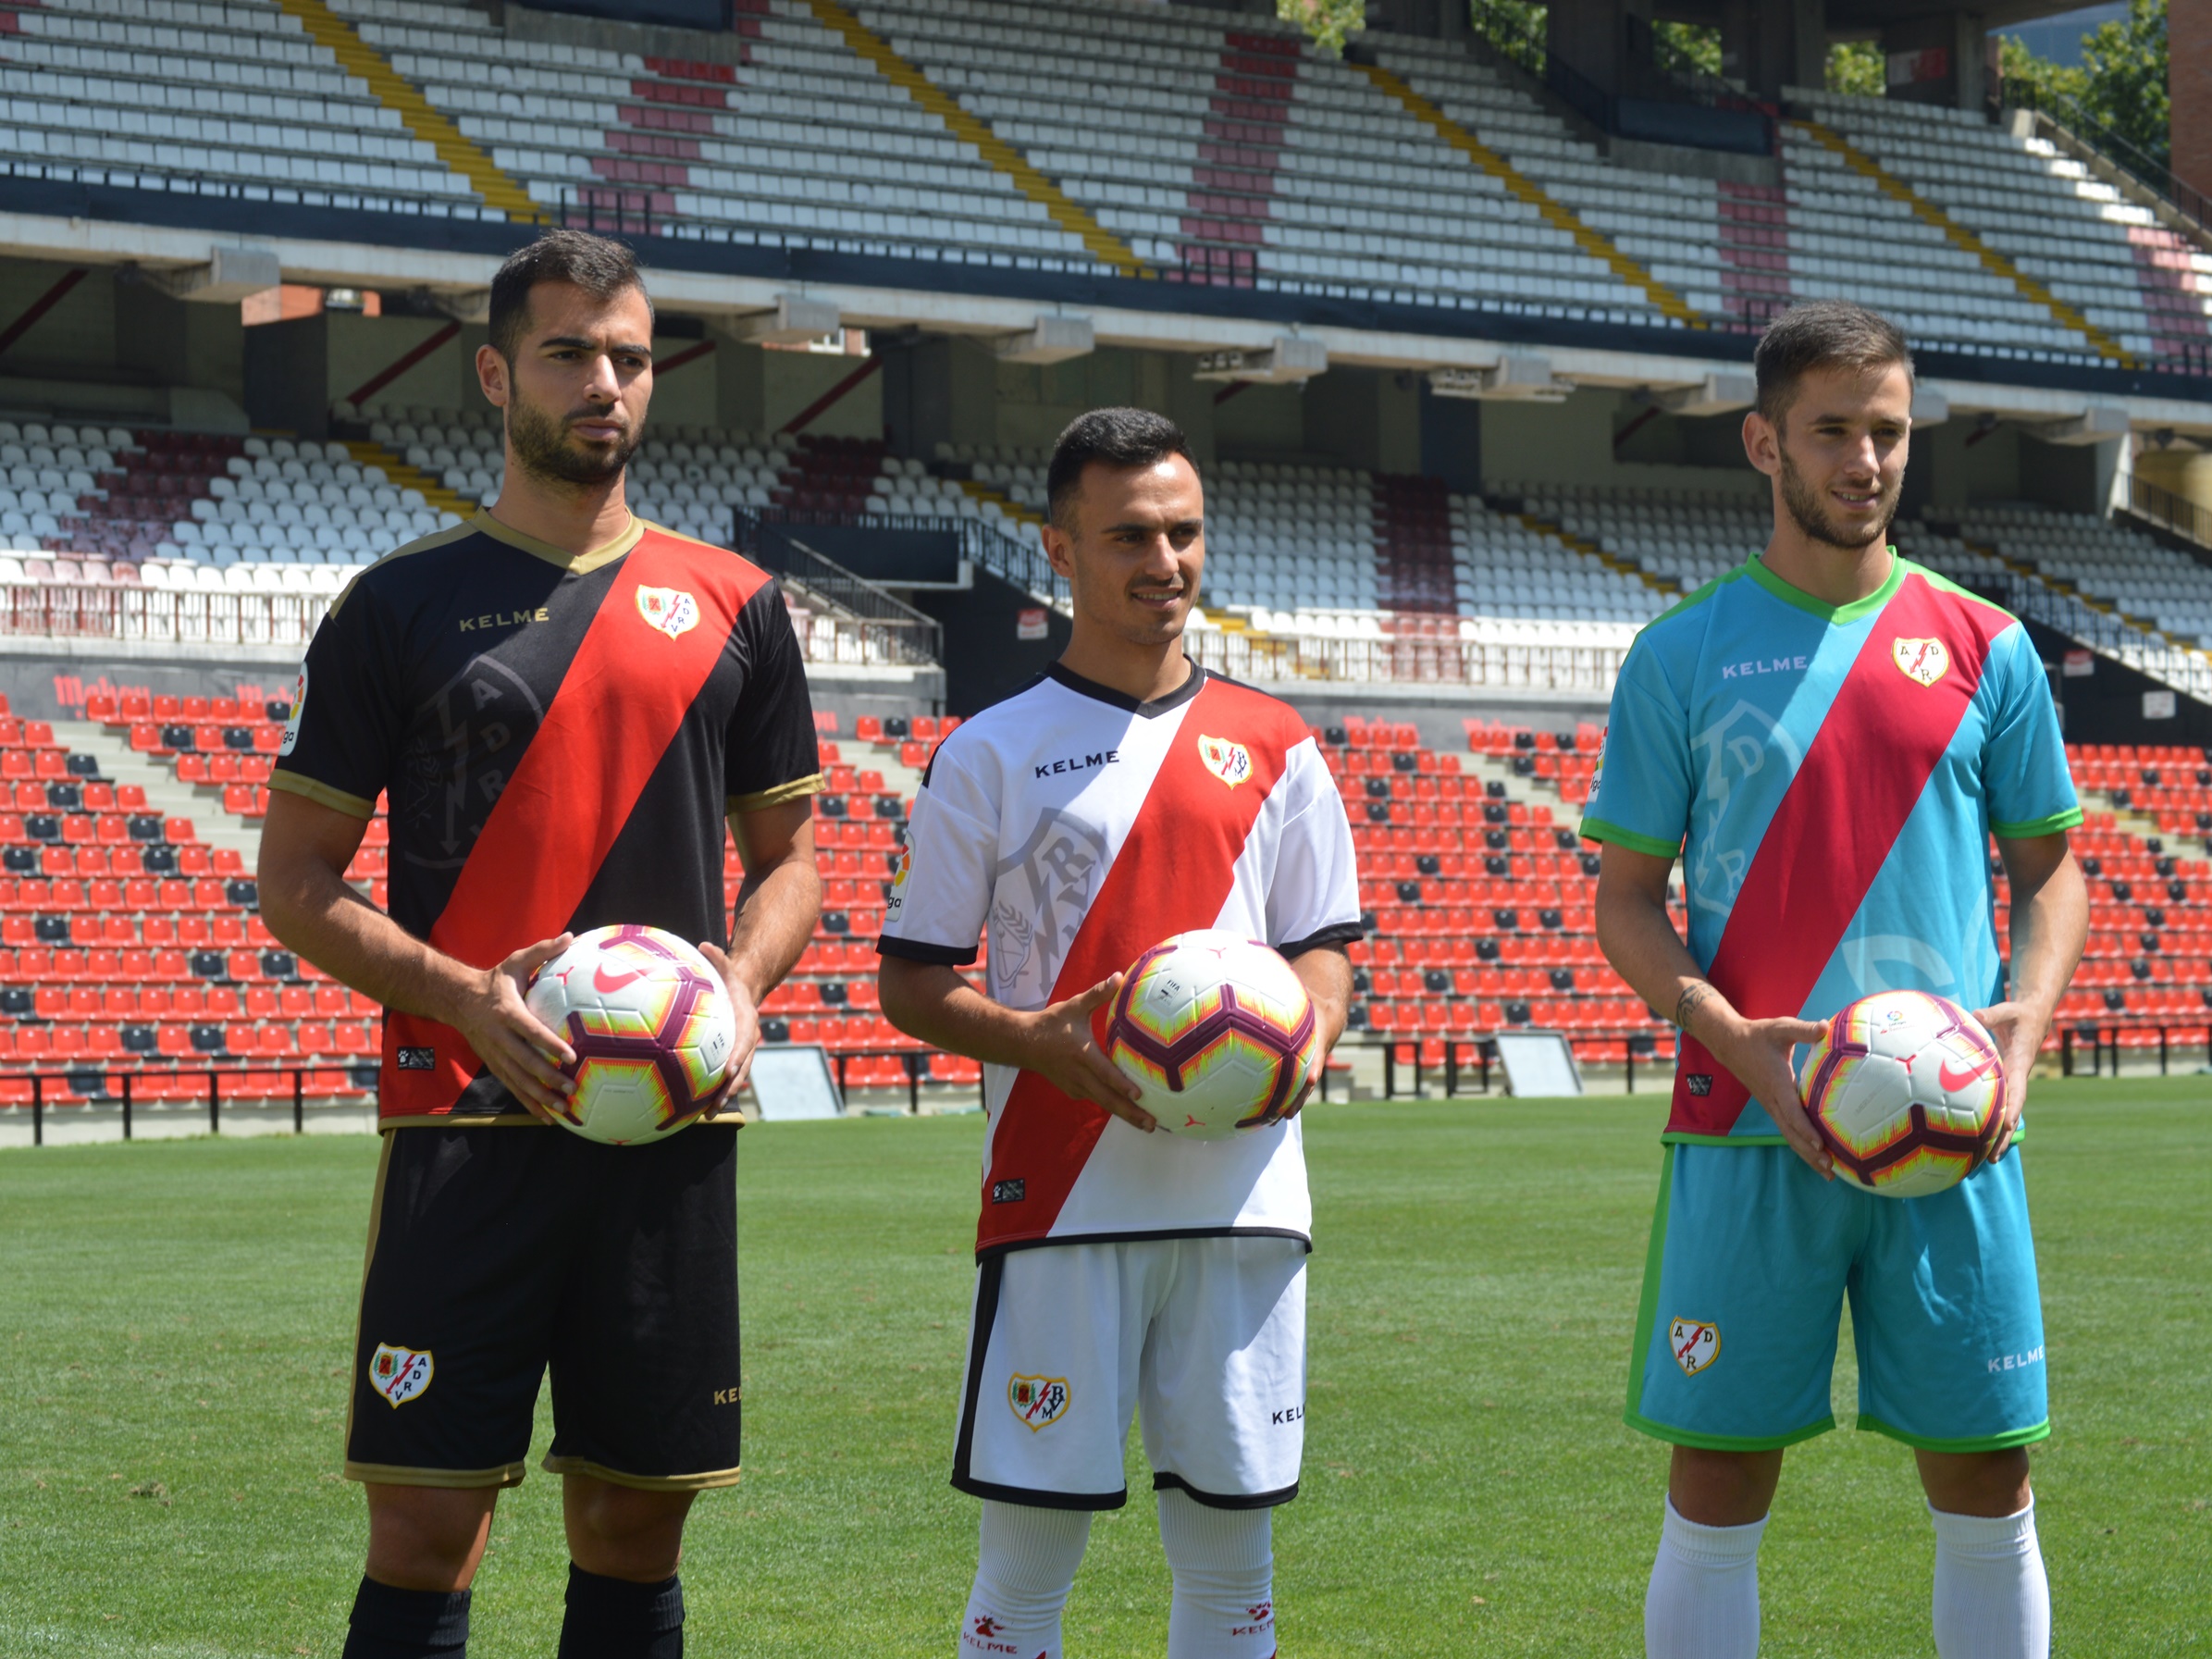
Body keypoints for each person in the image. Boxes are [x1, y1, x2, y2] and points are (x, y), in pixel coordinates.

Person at [258, 229, 824, 1659]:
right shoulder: (396, 607)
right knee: (426, 1529)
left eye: (630, 356)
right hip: (465, 1124)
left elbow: (794, 865)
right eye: (572, 352)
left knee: (636, 1523)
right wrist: (464, 997)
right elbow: (296, 880)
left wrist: (739, 991)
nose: (607, 381)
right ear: (499, 372)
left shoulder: (738, 603)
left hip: (667, 1125)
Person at [1581, 299, 2088, 1659]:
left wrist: (2022, 1036)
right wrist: (1738, 1040)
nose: (1865, 460)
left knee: (1987, 1476)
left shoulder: (1991, 646)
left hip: (1953, 1135)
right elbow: (1624, 898)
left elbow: (2052, 872)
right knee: (1720, 1476)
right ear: (1764, 442)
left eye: (1889, 431)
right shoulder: (1679, 654)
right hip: (1749, 1122)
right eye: (1833, 431)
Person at [876, 407, 1360, 1659]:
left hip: (1244, 1201)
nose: (1166, 561)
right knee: (1028, 1562)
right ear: (1060, 549)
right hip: (1061, 1195)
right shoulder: (987, 750)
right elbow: (913, 981)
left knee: (1231, 1560)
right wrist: (1036, 1037)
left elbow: (1324, 947)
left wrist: (1311, 1026)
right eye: (1131, 534)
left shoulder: (1279, 743)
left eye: (1185, 532)